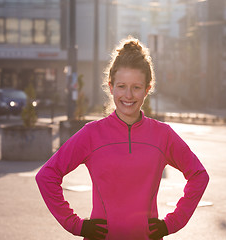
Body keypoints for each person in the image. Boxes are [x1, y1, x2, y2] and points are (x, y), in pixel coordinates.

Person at [36, 37, 209, 240]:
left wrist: (172, 223)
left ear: (147, 88)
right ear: (111, 87)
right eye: (121, 86)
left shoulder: (163, 135)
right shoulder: (92, 133)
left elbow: (199, 175)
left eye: (136, 87)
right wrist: (76, 225)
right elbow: (47, 176)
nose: (128, 95)